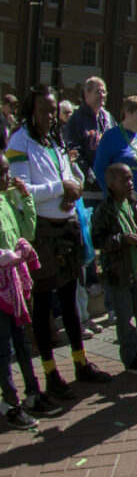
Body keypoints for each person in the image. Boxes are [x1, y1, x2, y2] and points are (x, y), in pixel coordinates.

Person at [7, 85, 113, 399]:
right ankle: (51, 374)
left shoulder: (53, 138)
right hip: (42, 233)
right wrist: (61, 188)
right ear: (30, 110)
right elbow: (21, 190)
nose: (50, 116)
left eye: (53, 110)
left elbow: (71, 176)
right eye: (44, 110)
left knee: (69, 296)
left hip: (66, 227)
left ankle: (81, 363)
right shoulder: (19, 141)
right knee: (43, 303)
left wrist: (73, 189)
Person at [90, 162, 137, 375]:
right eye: (124, 180)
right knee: (125, 317)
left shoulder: (136, 205)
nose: (130, 183)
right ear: (111, 184)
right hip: (119, 273)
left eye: (131, 178)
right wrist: (122, 239)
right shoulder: (104, 211)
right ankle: (131, 357)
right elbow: (98, 240)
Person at [0, 152, 47, 424]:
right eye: (2, 174)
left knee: (21, 341)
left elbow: (26, 232)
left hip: (14, 284)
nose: (6, 178)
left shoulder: (7, 200)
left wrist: (26, 199)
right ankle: (10, 403)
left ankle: (32, 393)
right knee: (3, 347)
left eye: (7, 172)